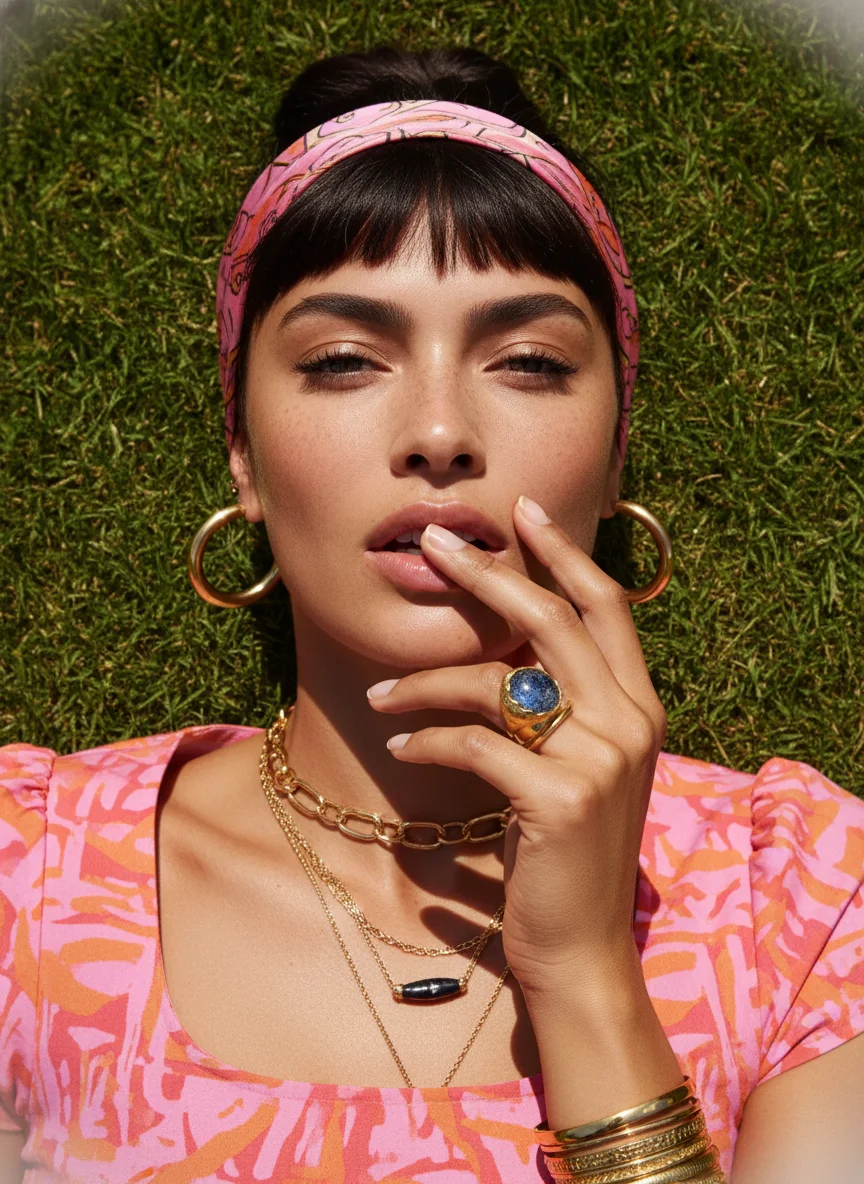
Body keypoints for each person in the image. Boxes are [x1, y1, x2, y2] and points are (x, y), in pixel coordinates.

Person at [1, 45, 862, 1184]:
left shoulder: (806, 903)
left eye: (531, 359)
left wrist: (593, 977)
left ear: (615, 459)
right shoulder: (27, 881)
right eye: (347, 358)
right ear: (243, 457)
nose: (440, 429)